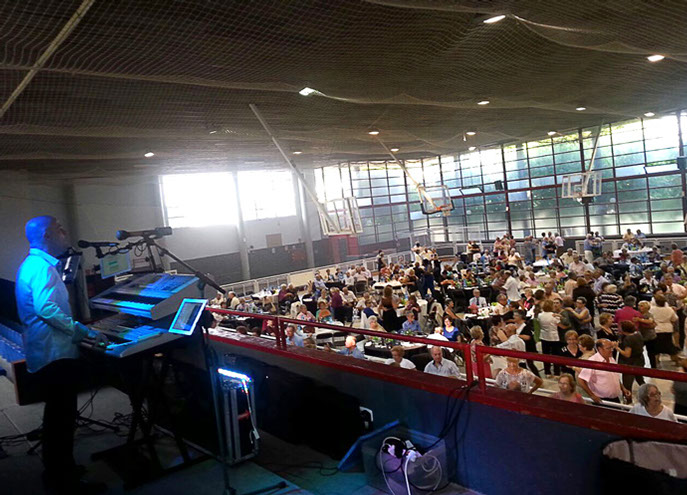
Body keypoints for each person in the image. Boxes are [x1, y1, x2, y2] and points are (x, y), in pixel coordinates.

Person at [15, 216, 108, 494]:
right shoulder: (43, 268)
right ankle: (63, 482)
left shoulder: (30, 264)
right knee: (61, 422)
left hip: (44, 353)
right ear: (46, 235)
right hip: (55, 355)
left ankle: (60, 470)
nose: (64, 233)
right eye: (59, 229)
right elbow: (46, 309)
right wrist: (83, 331)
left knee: (57, 419)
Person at [577, 339, 633, 404]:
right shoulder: (593, 361)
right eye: (608, 348)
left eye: (612, 347)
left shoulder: (611, 359)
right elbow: (581, 380)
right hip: (601, 400)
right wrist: (592, 395)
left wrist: (623, 389)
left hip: (615, 398)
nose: (611, 350)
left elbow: (614, 377)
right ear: (600, 349)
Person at [651, 294, 681, 366]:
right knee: (670, 346)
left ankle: (656, 363)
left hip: (656, 329)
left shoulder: (652, 309)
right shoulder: (669, 309)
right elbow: (675, 319)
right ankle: (677, 362)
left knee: (656, 348)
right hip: (667, 329)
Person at [538, 300, 561, 377]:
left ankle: (547, 372)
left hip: (544, 336)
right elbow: (559, 324)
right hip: (554, 337)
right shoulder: (555, 316)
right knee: (555, 355)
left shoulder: (540, 315)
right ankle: (556, 372)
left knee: (545, 355)